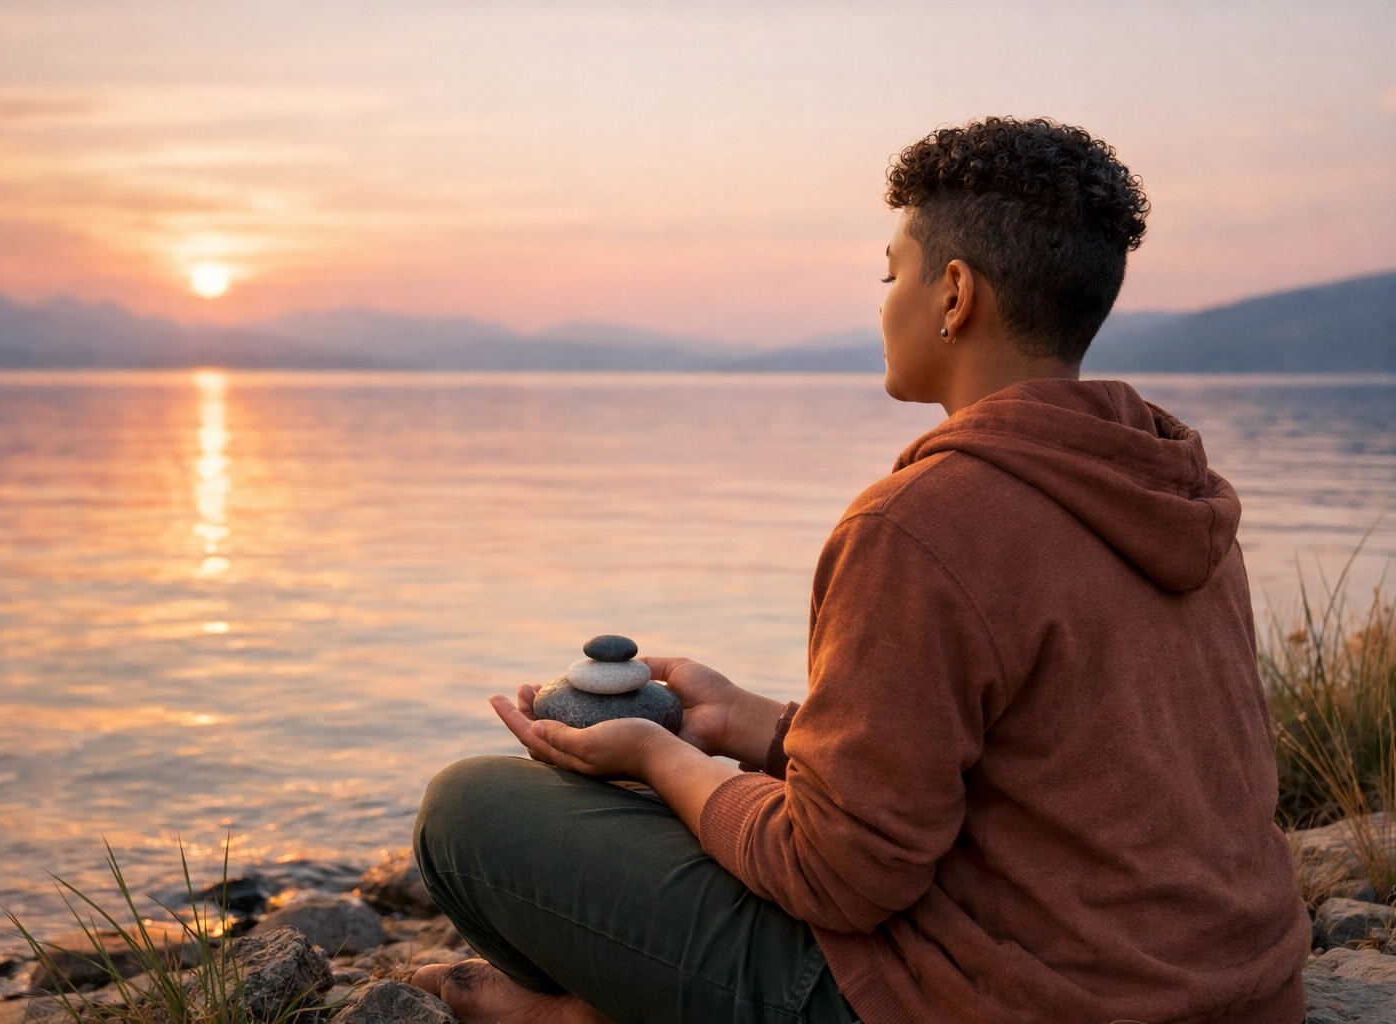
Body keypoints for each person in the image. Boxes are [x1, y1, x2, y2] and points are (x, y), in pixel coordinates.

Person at [410, 117, 1310, 1024]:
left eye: (892, 273)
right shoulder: (1172, 492)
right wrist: (746, 724)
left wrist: (657, 754)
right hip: (1241, 994)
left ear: (954, 294)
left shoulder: (922, 524)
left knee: (470, 813)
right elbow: (1031, 775)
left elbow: (838, 879)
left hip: (1000, 1002)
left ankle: (572, 1015)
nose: (883, 303)